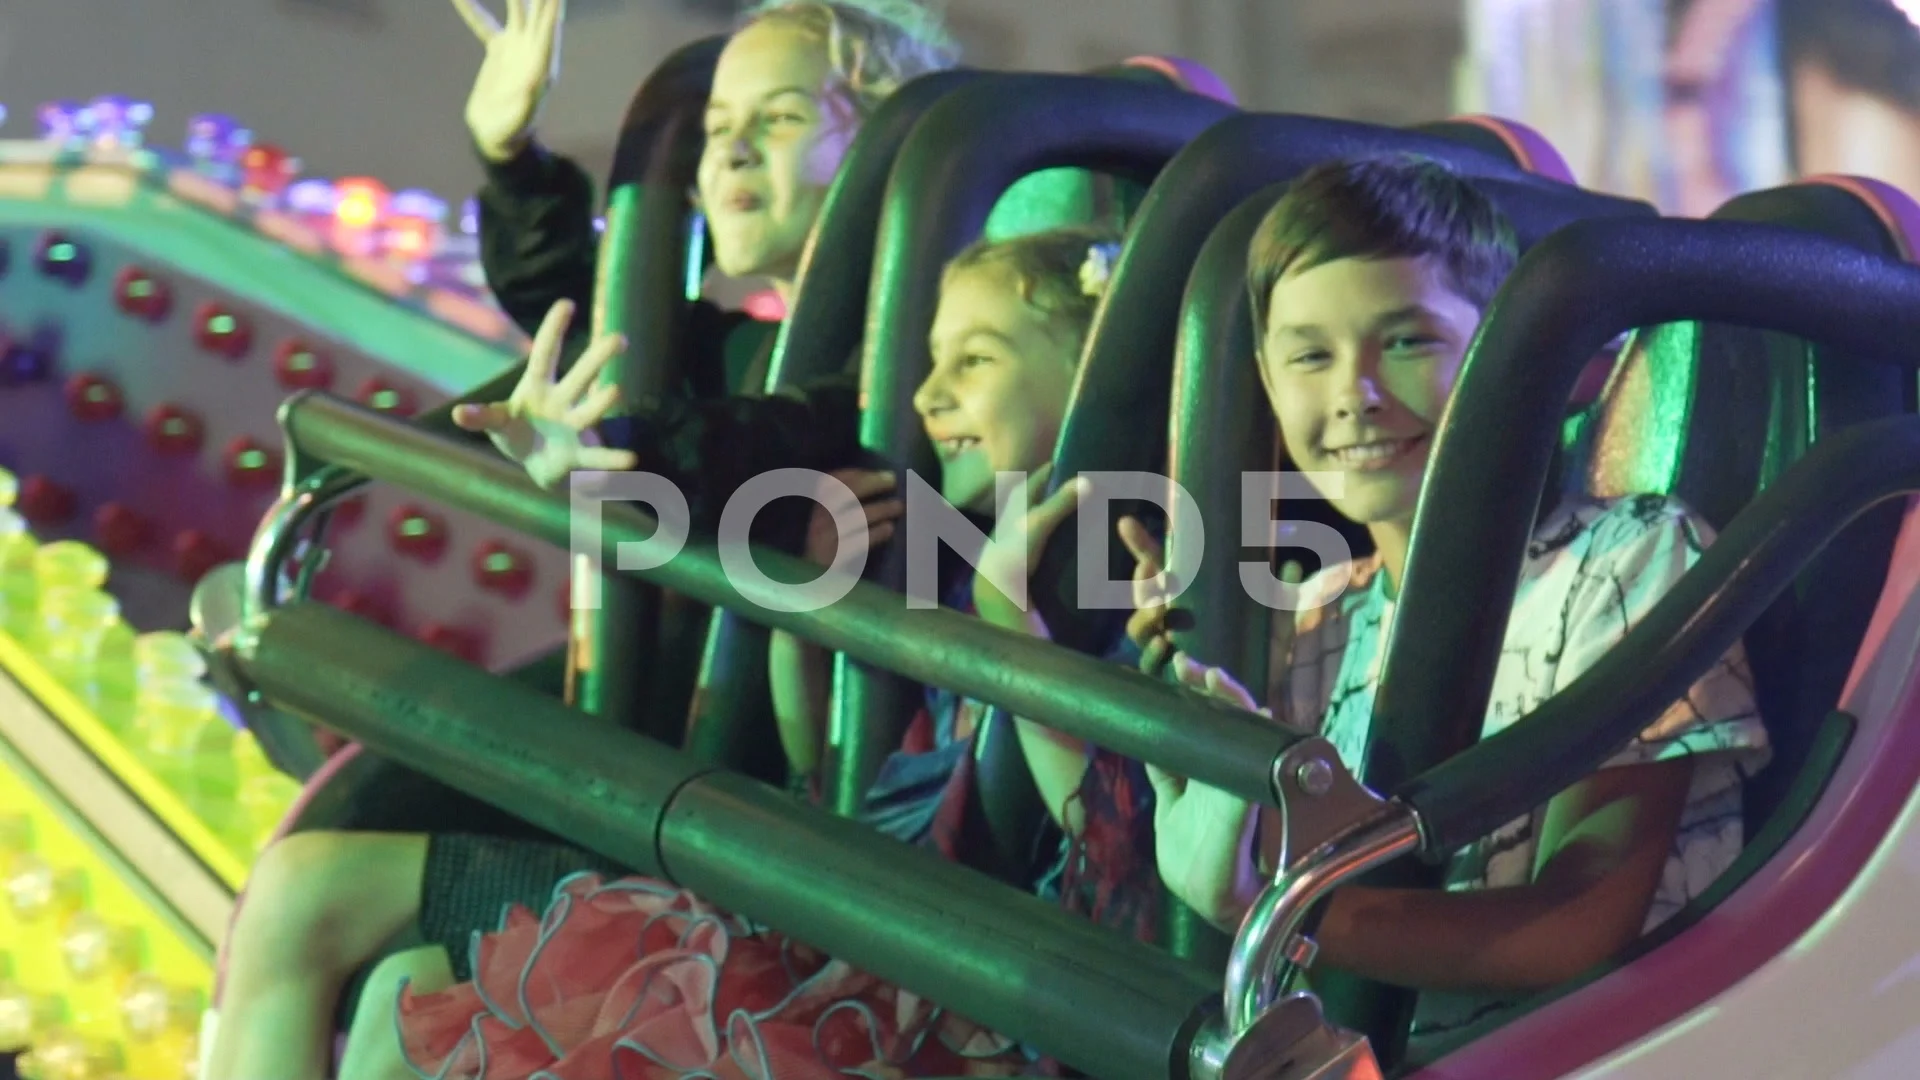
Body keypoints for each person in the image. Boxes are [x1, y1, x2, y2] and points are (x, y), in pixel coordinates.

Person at [202, 5, 958, 1080]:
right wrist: (516, 159)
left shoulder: (914, 378)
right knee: (399, 1003)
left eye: (783, 116)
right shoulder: (740, 350)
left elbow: (769, 441)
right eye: (718, 124)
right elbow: (601, 317)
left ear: (891, 150)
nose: (731, 146)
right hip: (662, 810)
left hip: (752, 858)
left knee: (305, 897)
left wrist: (614, 459)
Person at [392, 226, 1158, 1079]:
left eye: (974, 362)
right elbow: (827, 772)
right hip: (848, 944)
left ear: (1096, 372)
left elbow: (1114, 871)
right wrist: (816, 600)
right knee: (421, 1005)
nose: (929, 395)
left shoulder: (1140, 580)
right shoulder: (948, 550)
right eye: (932, 361)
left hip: (972, 1006)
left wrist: (1011, 627)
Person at [1119, 156, 1771, 1062]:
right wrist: (1168, 691)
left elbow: (1579, 920)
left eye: (1408, 342)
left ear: (1520, 361)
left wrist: (1275, 913)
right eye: (1312, 355)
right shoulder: (1314, 616)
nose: (1355, 392)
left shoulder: (1632, 557)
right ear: (1267, 383)